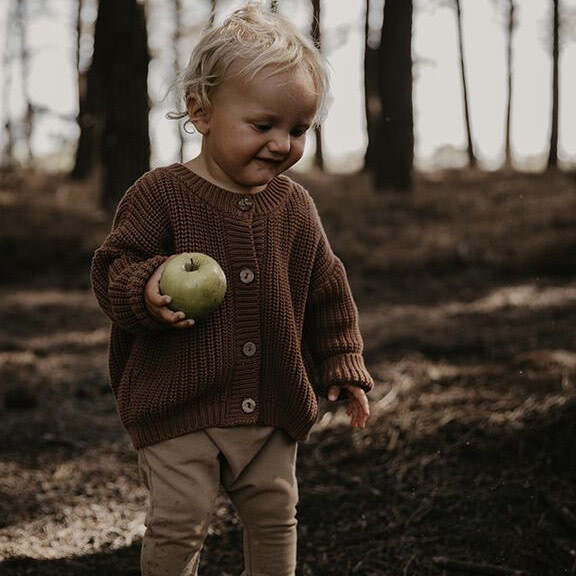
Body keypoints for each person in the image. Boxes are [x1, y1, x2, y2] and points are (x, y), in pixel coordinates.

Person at [90, 4, 373, 576]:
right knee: (179, 522)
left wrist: (342, 362)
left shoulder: (293, 205)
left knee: (275, 517)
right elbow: (114, 267)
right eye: (263, 125)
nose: (282, 144)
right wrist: (147, 290)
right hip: (178, 403)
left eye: (298, 130)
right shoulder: (160, 194)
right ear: (202, 112)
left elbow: (325, 285)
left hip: (271, 403)